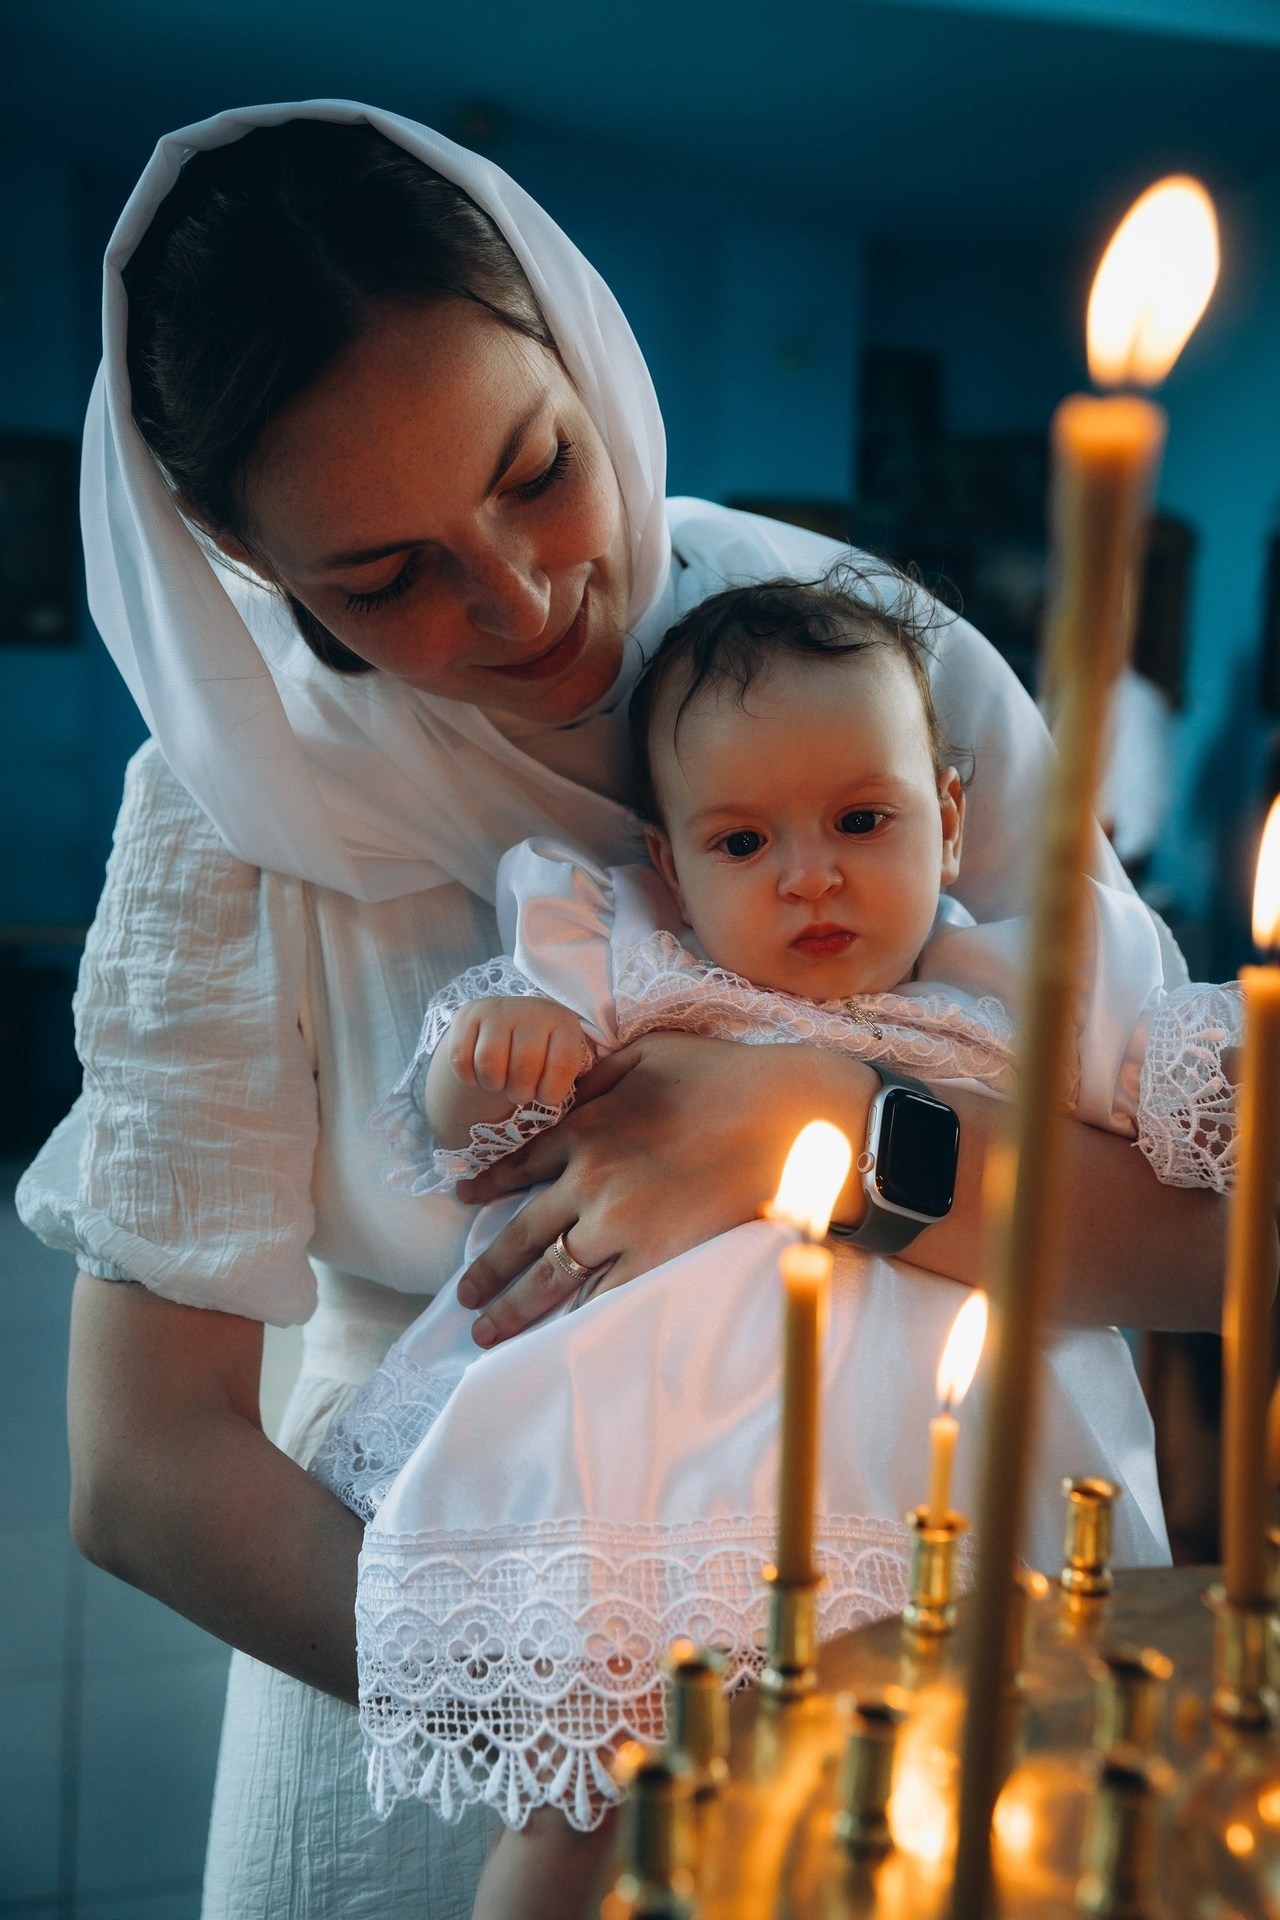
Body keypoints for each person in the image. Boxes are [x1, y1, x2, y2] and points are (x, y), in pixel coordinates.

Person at [15, 102, 1234, 1920]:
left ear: (579, 346)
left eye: (536, 470)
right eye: (384, 578)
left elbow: (1208, 1242)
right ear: (258, 569)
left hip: (934, 1601)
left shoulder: (870, 669)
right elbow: (143, 1471)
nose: (518, 596)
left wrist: (818, 1132)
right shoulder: (233, 809)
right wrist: (595, 1705)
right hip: (442, 1639)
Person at [312, 570, 1171, 1916]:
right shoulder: (636, 966)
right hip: (655, 1462)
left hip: (930, 1457)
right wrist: (492, 1062)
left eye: (861, 819)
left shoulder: (1021, 996)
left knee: (928, 1816)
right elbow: (471, 1147)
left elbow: (1177, 1131)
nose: (810, 872)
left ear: (947, 816)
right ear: (669, 865)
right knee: (590, 1806)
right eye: (741, 845)